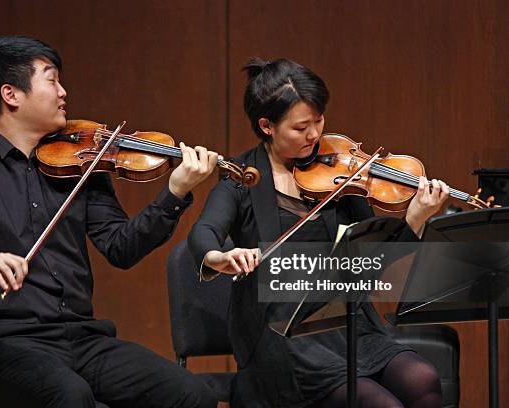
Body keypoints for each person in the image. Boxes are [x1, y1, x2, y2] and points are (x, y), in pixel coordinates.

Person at [0, 36, 219, 408]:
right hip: (4, 346)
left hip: (83, 340)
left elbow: (121, 247)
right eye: (51, 80)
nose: (63, 92)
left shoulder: (81, 164)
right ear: (11, 94)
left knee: (192, 395)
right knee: (70, 396)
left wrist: (175, 193)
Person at [188, 58, 450, 408]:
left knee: (424, 381)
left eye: (318, 121)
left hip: (348, 325)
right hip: (283, 336)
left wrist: (415, 220)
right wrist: (218, 257)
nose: (314, 135)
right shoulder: (241, 180)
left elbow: (373, 266)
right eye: (300, 128)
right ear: (267, 126)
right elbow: (203, 231)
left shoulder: (342, 176)